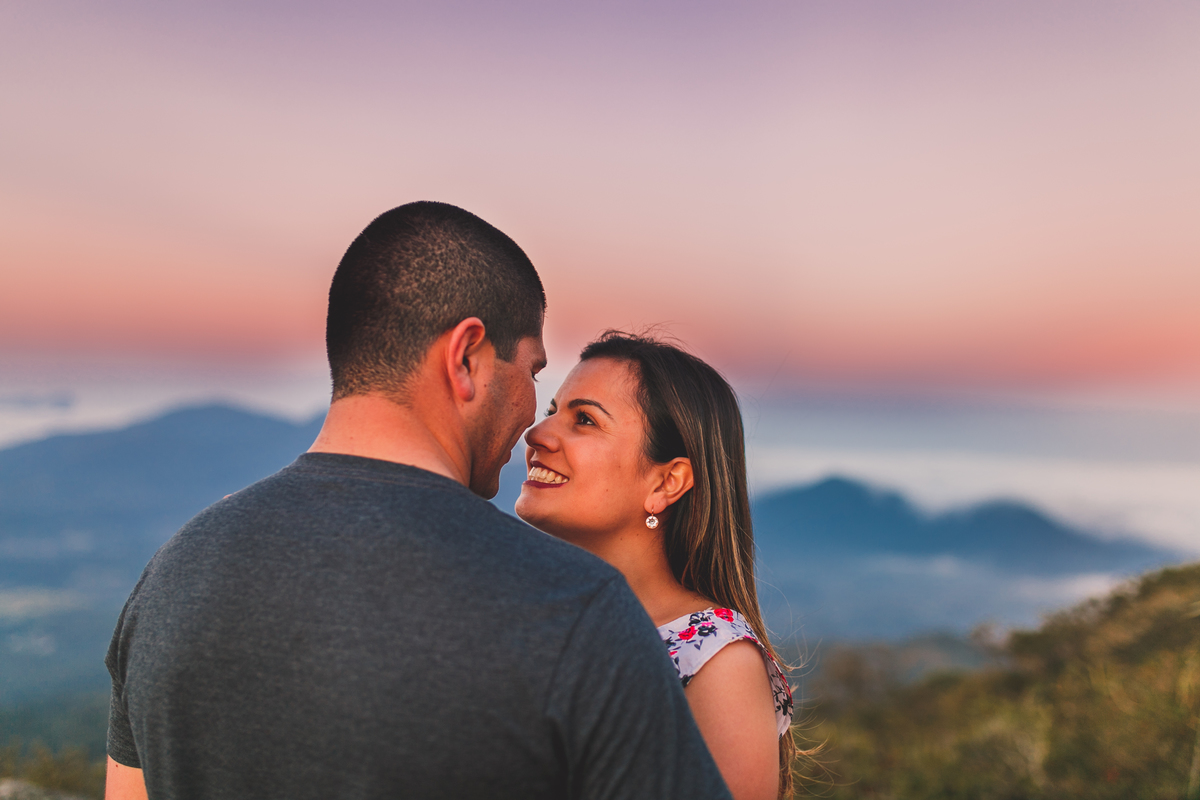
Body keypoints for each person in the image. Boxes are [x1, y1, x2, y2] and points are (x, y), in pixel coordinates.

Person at [104, 203, 733, 800]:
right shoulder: (570, 608)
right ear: (466, 357)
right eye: (532, 375)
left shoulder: (174, 573)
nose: (532, 422)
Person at [516, 331, 804, 800]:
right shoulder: (526, 616)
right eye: (552, 412)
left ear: (667, 482)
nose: (537, 433)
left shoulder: (714, 660)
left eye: (584, 419)